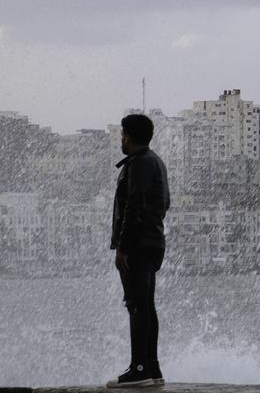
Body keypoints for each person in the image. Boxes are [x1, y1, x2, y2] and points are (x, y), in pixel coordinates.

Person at [107, 113, 171, 388]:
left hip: (138, 245)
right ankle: (152, 367)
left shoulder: (140, 164)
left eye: (122, 134)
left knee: (137, 306)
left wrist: (123, 247)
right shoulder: (155, 161)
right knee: (145, 306)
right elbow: (164, 203)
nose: (120, 139)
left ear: (129, 137)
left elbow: (134, 206)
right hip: (152, 242)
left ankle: (139, 368)